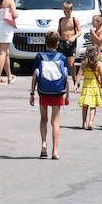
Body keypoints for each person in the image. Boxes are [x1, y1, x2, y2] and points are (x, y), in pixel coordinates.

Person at [29, 31, 68, 159]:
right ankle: (55, 151)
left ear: (45, 42)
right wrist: (67, 95)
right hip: (58, 92)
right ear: (57, 43)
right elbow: (66, 77)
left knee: (44, 119)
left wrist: (32, 93)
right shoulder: (62, 57)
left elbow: (35, 76)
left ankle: (44, 144)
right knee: (55, 122)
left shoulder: (40, 56)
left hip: (43, 91)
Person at [77, 47, 102, 131]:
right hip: (94, 88)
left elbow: (79, 74)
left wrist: (76, 84)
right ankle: (90, 122)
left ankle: (83, 123)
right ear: (97, 54)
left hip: (86, 87)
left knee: (85, 106)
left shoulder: (84, 63)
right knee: (93, 107)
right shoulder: (99, 64)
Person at [57, 0, 82, 91]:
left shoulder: (74, 20)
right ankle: (62, 82)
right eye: (65, 11)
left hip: (71, 43)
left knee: (71, 64)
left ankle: (75, 80)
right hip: (62, 42)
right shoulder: (61, 20)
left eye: (68, 11)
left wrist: (74, 37)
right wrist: (57, 38)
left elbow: (79, 31)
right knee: (61, 63)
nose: (66, 13)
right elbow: (59, 31)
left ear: (71, 11)